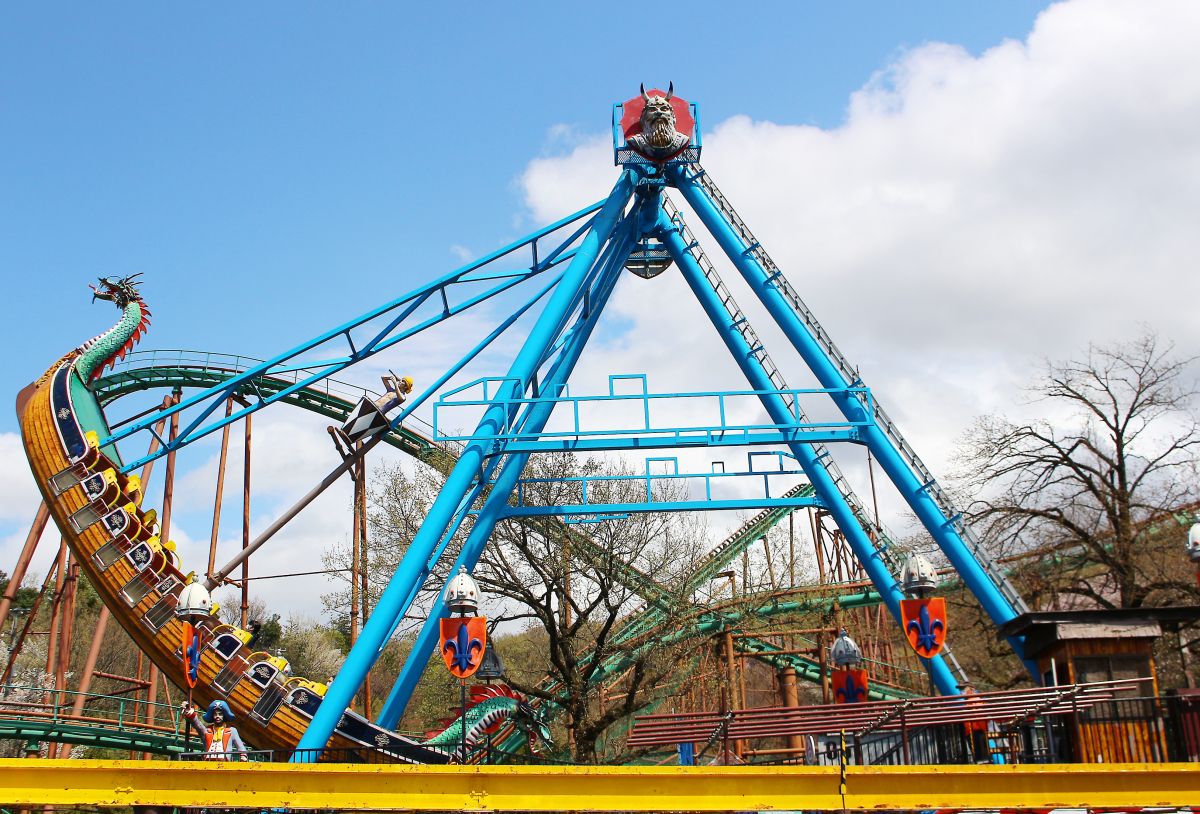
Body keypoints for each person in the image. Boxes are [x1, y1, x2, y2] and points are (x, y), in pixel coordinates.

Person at [182, 700, 248, 761]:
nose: (217, 716)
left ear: (224, 716)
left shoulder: (232, 731)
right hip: (208, 762)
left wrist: (243, 755)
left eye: (220, 714)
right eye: (215, 714)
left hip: (224, 762)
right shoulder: (207, 731)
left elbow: (240, 745)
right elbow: (198, 725)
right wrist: (189, 712)